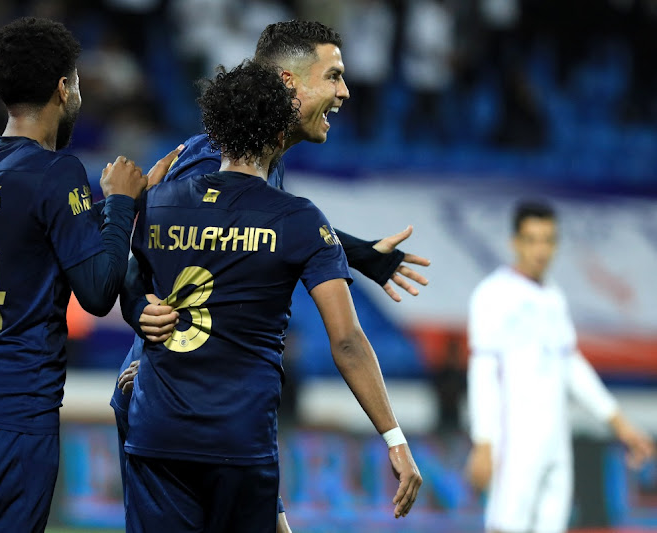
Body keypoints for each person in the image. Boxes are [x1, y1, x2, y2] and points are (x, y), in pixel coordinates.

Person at [112, 21, 430, 531]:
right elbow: (140, 262)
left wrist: (359, 254)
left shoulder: (265, 174)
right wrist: (137, 309)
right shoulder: (204, 160)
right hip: (173, 397)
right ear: (288, 83)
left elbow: (257, 222)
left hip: (219, 412)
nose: (345, 91)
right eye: (333, 76)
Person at [0, 17, 149, 532]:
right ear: (63, 87)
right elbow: (96, 292)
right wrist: (118, 205)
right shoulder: (56, 171)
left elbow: (37, 237)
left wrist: (120, 207)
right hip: (15, 405)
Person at [465, 200, 655, 533]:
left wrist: (619, 422)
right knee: (506, 526)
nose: (541, 249)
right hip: (516, 439)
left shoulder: (553, 297)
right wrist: (483, 441)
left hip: (556, 440)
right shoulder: (493, 295)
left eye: (548, 240)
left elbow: (570, 364)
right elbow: (482, 372)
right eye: (532, 239)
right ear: (515, 242)